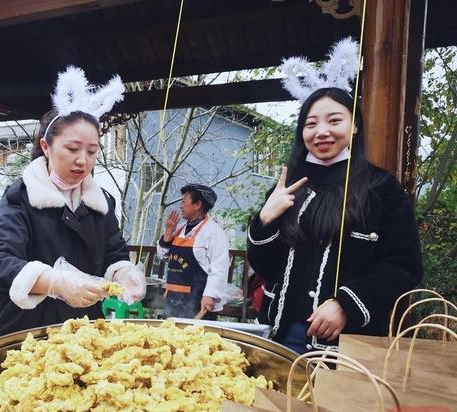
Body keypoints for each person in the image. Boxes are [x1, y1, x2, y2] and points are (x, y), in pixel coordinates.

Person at [247, 86, 423, 353]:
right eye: (311, 124)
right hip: (278, 332)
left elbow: (404, 265)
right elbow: (265, 267)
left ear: (354, 126)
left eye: (334, 120)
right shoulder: (287, 188)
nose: (321, 131)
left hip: (347, 342)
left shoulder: (382, 188)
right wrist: (265, 219)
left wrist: (346, 304)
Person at [0, 66, 145, 342]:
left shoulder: (102, 203)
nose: (83, 161)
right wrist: (55, 282)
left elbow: (114, 253)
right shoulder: (22, 196)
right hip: (25, 334)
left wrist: (124, 272)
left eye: (91, 151)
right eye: (73, 149)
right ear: (46, 147)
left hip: (84, 333)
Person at [157, 184, 231, 319]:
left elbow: (219, 267)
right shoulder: (179, 229)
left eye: (184, 201)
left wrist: (210, 295)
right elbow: (162, 256)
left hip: (198, 301)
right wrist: (168, 231)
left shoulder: (213, 232)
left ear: (197, 205)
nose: (180, 205)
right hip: (173, 299)